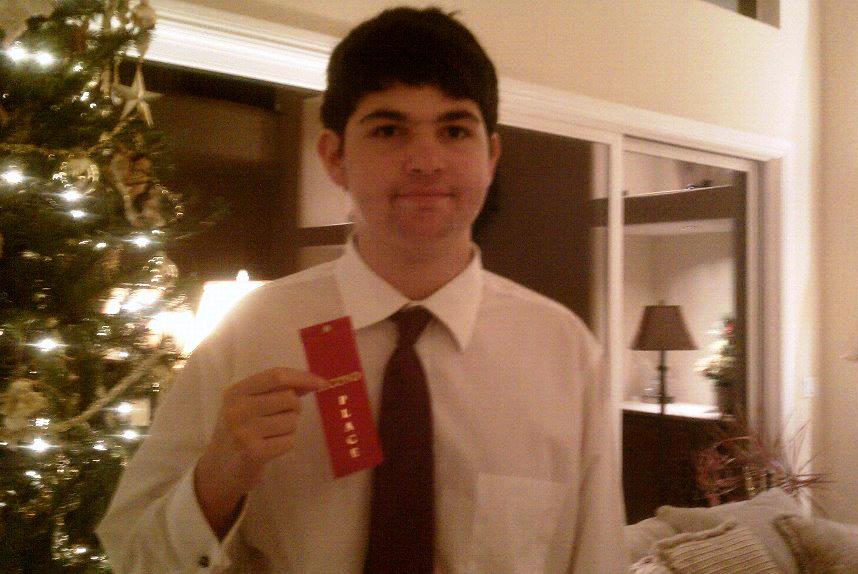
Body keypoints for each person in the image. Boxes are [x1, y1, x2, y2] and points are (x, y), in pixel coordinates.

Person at [97, 6, 625, 573]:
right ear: (334, 157)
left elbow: (597, 559)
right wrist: (217, 478)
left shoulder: (566, 352)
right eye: (388, 130)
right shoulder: (249, 336)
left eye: (454, 130)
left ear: (490, 156)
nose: (426, 162)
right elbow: (132, 559)